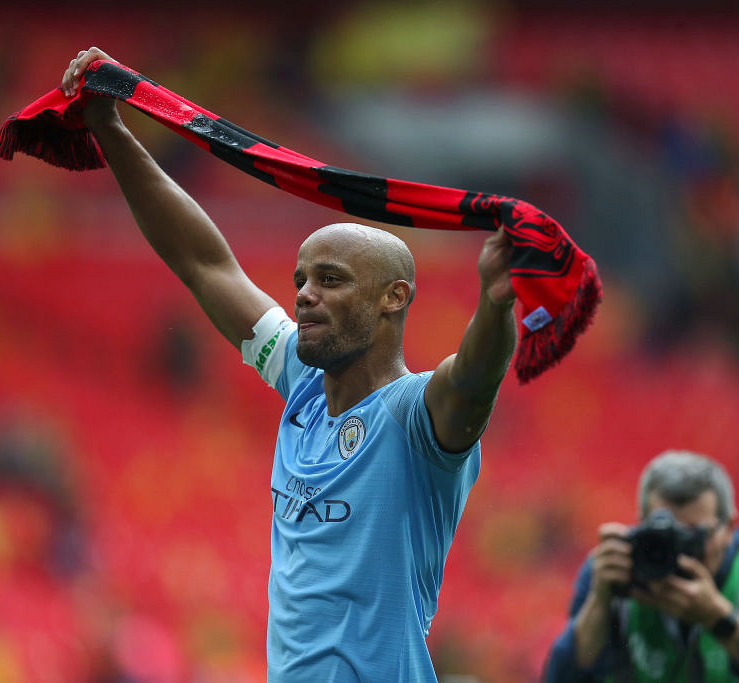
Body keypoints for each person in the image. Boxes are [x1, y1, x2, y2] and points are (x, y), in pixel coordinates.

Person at [61, 48, 518, 681]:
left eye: (330, 280)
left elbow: (472, 378)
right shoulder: (302, 384)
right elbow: (204, 263)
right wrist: (109, 130)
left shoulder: (416, 419)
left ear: (394, 298)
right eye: (300, 279)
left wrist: (496, 306)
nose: (303, 294)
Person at [544, 450, 739, 682]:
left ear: (728, 528)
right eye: (664, 533)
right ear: (641, 523)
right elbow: (559, 678)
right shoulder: (613, 569)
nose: (677, 551)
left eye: (692, 536)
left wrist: (719, 618)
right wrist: (600, 601)